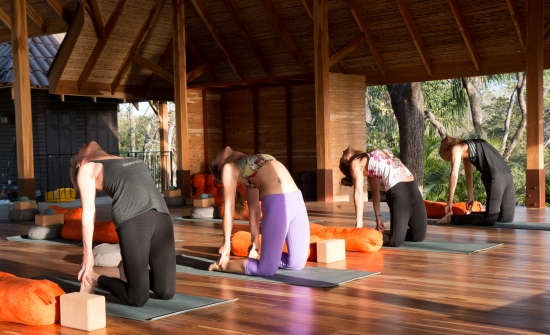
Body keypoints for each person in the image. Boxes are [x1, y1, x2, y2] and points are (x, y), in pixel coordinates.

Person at [70, 141, 175, 306]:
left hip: (162, 216)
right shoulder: (86, 169)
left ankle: (129, 270)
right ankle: (94, 278)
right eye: (78, 153)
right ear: (81, 162)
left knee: (166, 291)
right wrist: (87, 255)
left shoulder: (124, 159)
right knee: (137, 298)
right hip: (133, 221)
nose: (80, 148)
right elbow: (88, 213)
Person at [208, 146, 309, 276]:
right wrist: (226, 242)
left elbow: (254, 211)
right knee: (266, 270)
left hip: (296, 199)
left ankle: (267, 258)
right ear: (219, 166)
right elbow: (229, 208)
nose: (224, 148)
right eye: (216, 156)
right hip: (277, 203)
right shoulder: (228, 168)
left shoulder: (250, 173)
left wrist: (255, 242)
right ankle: (223, 265)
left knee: (296, 264)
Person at [339, 147, 426, 247]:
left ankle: (396, 232)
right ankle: (370, 235)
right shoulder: (354, 163)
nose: (343, 152)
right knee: (395, 241)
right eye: (343, 156)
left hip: (412, 187)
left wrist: (378, 218)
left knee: (418, 236)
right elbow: (359, 192)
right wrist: (359, 222)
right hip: (398, 191)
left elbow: (376, 195)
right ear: (347, 161)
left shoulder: (370, 157)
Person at [438, 136, 515, 225]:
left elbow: (454, 174)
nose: (452, 159)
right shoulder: (466, 150)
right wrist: (471, 196)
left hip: (506, 176)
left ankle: (468, 216)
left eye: (450, 158)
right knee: (490, 219)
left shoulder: (456, 149)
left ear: (448, 150)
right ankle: (452, 219)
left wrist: (450, 201)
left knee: (506, 218)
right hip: (495, 177)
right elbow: (469, 175)